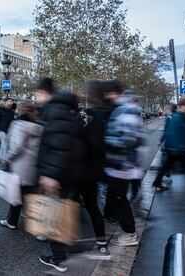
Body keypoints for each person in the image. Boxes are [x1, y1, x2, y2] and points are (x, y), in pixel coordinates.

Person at [34, 78, 84, 272]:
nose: (36, 98)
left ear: (44, 93)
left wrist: (51, 175)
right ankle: (64, 247)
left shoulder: (55, 110)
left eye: (37, 94)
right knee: (61, 210)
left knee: (54, 213)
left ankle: (58, 258)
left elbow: (58, 145)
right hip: (70, 170)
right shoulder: (65, 108)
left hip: (59, 173)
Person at [103, 81, 143, 247]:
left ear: (114, 93)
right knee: (115, 196)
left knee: (119, 198)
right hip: (120, 165)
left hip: (122, 165)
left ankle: (130, 233)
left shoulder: (125, 110)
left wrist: (105, 140)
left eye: (108, 94)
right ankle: (119, 223)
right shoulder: (123, 109)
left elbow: (126, 140)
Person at [78, 80, 114, 260]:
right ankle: (100, 244)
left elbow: (94, 144)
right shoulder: (104, 113)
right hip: (94, 169)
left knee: (88, 205)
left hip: (88, 169)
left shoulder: (98, 117)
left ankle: (100, 246)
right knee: (90, 206)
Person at [0, 101, 42, 229]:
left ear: (20, 110)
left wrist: (6, 159)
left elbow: (16, 147)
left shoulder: (19, 125)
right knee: (23, 196)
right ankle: (12, 221)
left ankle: (39, 228)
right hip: (32, 167)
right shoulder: (38, 126)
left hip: (20, 167)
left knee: (18, 196)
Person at [152, 99, 185, 190]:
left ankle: (157, 183)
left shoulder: (179, 116)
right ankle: (157, 183)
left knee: (165, 166)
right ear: (180, 107)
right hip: (177, 149)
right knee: (184, 166)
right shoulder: (178, 117)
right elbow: (172, 133)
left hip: (174, 149)